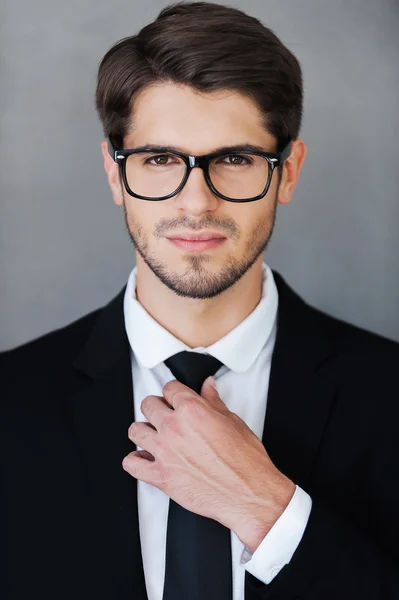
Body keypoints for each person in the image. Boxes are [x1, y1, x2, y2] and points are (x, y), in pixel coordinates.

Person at [1, 2, 398, 599]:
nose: (196, 203)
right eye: (160, 159)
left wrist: (271, 512)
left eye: (234, 160)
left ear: (288, 173)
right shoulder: (10, 406)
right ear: (115, 175)